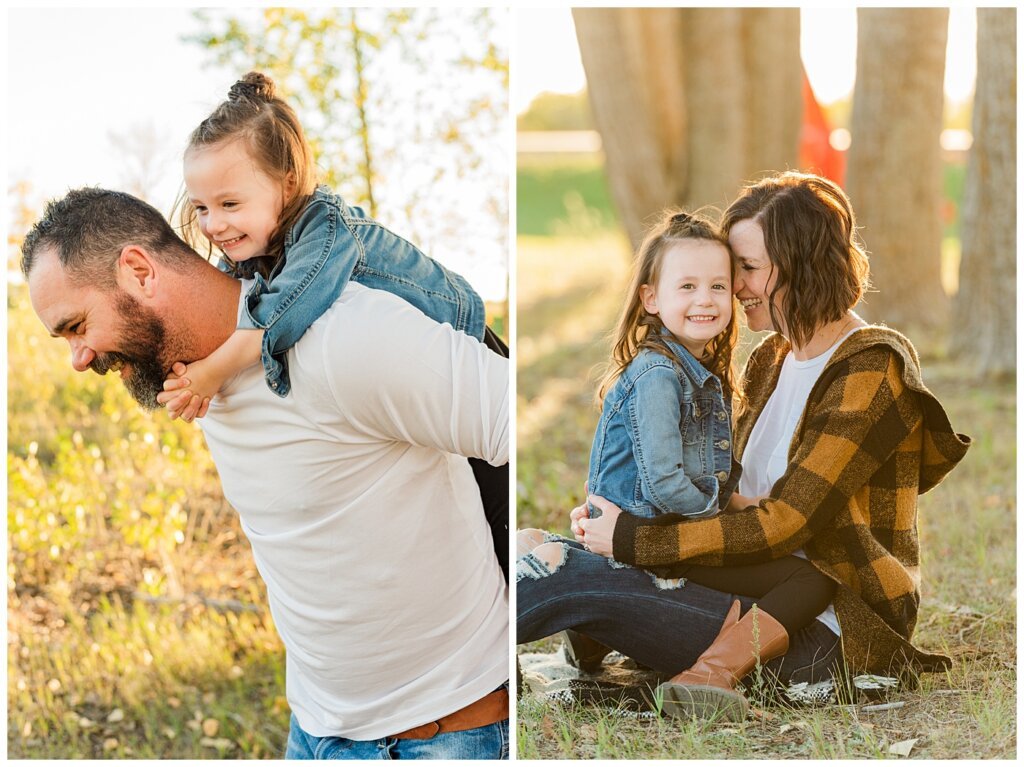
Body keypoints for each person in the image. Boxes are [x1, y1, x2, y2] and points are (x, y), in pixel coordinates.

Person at [22, 187, 510, 759]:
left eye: (76, 326)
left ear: (138, 270)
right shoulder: (196, 384)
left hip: (440, 736)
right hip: (313, 731)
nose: (78, 359)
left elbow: (510, 418)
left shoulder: (339, 338)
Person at [517, 171, 970, 721]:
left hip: (822, 630)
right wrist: (622, 524)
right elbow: (728, 496)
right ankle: (592, 625)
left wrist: (636, 542)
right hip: (745, 579)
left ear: (802, 266)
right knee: (544, 544)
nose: (734, 287)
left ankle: (469, 649)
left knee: (567, 569)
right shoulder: (770, 360)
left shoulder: (871, 370)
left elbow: (786, 524)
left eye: (747, 270)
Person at [158, 71, 509, 582]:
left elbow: (289, 308)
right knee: (464, 510)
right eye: (202, 209)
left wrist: (213, 370)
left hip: (465, 343)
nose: (213, 225)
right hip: (408, 385)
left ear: (288, 183)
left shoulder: (324, 228)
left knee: (496, 505)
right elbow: (229, 307)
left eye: (230, 204)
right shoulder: (254, 250)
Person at [518, 208, 835, 720]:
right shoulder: (660, 377)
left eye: (717, 285)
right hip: (654, 534)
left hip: (665, 532)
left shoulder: (701, 371)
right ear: (651, 298)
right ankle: (563, 588)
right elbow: (667, 485)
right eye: (686, 286)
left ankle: (597, 629)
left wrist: (731, 504)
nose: (705, 300)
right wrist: (726, 509)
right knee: (807, 579)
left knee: (809, 577)